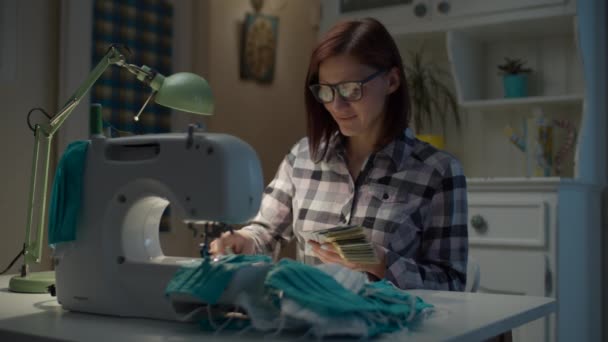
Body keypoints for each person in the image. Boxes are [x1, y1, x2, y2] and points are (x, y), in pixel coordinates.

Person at [210, 17, 468, 291]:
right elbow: (265, 233)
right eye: (326, 91)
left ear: (391, 81)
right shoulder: (303, 158)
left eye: (350, 89)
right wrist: (242, 240)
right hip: (313, 324)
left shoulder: (438, 172)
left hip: (393, 330)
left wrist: (382, 263)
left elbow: (452, 282)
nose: (337, 105)